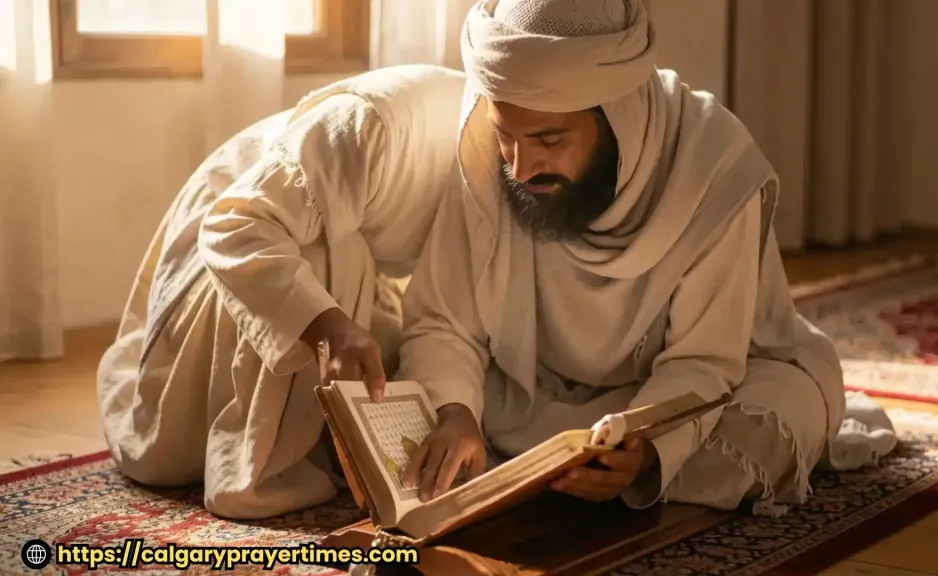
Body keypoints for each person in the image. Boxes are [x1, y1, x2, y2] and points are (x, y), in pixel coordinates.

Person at [398, 0, 896, 514]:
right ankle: (544, 466)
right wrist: (454, 410)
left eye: (549, 139)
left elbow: (702, 360)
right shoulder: (484, 153)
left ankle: (571, 473)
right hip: (528, 392)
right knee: (411, 401)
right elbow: (443, 319)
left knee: (776, 422)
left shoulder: (712, 166)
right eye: (507, 136)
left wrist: (645, 451)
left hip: (684, 395)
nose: (521, 168)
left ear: (620, 116)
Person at [97, 64, 466, 519]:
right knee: (334, 251)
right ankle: (249, 461)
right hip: (230, 263)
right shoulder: (375, 122)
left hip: (362, 289)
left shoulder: (516, 175)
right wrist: (328, 327)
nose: (525, 162)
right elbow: (233, 227)